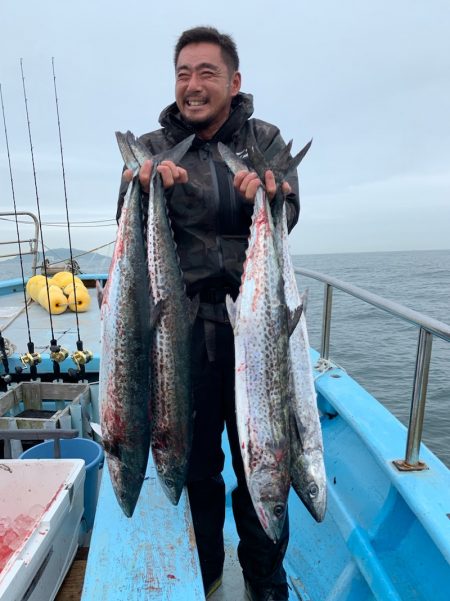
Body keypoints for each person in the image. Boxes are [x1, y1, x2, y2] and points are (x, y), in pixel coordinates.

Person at [117, 26, 300, 601]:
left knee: (263, 465)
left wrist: (270, 194)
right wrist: (143, 187)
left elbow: (289, 209)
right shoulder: (152, 144)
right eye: (183, 74)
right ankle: (210, 577)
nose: (192, 86)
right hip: (180, 334)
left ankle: (266, 582)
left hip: (255, 332)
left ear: (234, 81)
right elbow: (125, 221)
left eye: (206, 73)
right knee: (195, 468)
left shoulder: (263, 138)